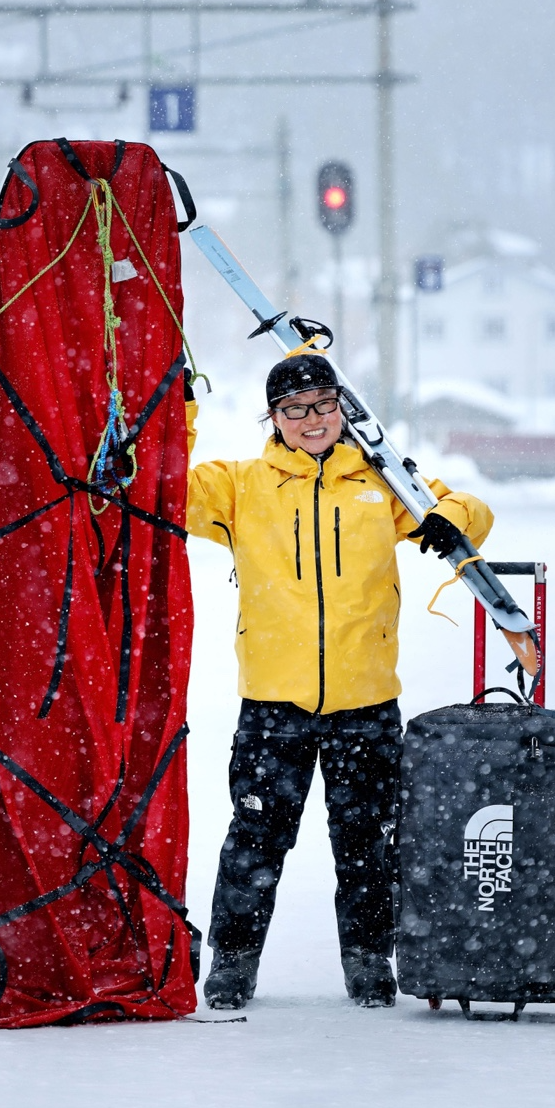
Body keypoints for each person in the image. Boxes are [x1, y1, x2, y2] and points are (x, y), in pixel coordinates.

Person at [185, 350, 493, 1009]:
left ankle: (368, 962)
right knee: (255, 840)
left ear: (342, 408)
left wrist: (451, 520)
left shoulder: (381, 482)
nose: (310, 419)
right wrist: (178, 407)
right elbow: (165, 488)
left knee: (368, 845)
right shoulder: (242, 484)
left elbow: (469, 506)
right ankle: (232, 962)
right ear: (273, 418)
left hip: (367, 702)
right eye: (293, 409)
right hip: (273, 704)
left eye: (322, 405)